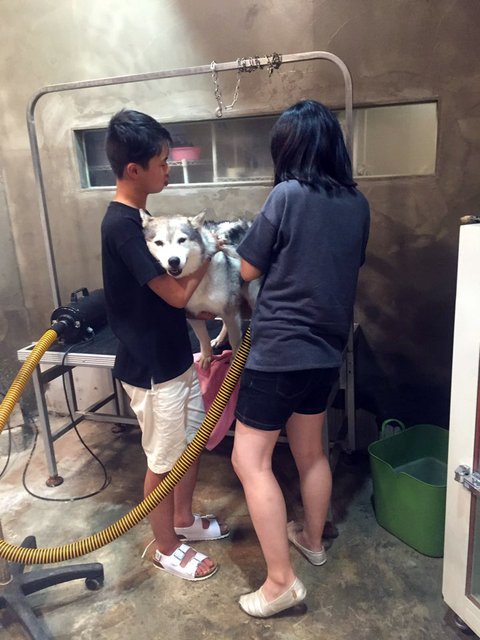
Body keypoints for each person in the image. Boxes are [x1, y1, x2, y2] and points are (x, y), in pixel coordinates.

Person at [231, 100, 370, 616]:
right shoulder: (357, 203)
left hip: (278, 352)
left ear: (289, 149)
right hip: (326, 351)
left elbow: (247, 269)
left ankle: (279, 582)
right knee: (311, 451)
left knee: (250, 460)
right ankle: (312, 540)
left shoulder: (286, 195)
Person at [101, 109, 229, 582]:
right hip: (152, 367)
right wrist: (208, 254)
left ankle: (182, 520)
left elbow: (162, 300)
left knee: (188, 448)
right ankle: (166, 547)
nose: (169, 168)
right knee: (162, 460)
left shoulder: (142, 219)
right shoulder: (122, 227)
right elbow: (174, 293)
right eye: (162, 162)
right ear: (134, 170)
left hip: (175, 357)